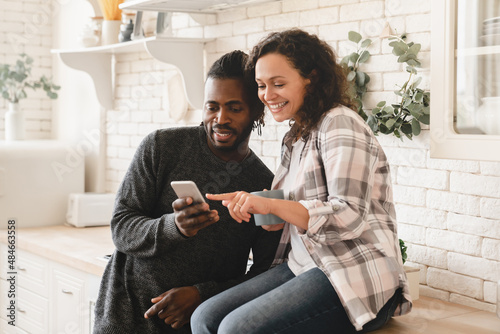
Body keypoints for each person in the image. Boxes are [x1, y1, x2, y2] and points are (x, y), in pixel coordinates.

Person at [191, 29, 412, 334]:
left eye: (278, 84)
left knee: (235, 329)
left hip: (354, 277)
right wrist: (255, 206)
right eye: (260, 85)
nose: (267, 95)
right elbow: (280, 219)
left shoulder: (339, 122)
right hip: (304, 266)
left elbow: (348, 216)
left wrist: (271, 204)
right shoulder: (295, 136)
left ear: (311, 78)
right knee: (203, 317)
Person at [92, 50, 282, 334]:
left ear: (257, 110)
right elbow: (121, 227)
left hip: (193, 325)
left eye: (234, 108)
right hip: (125, 316)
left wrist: (201, 295)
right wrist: (173, 227)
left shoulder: (265, 186)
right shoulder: (161, 147)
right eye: (212, 106)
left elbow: (267, 273)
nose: (220, 118)